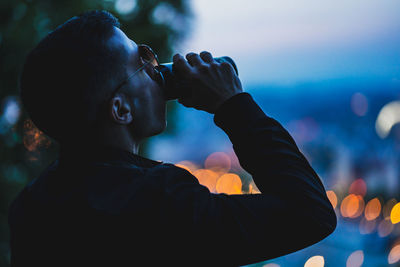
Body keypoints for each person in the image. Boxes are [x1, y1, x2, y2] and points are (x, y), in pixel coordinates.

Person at [9, 10, 336, 267]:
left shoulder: (31, 206)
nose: (157, 69)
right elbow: (310, 213)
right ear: (121, 108)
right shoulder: (160, 201)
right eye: (143, 63)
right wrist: (233, 105)